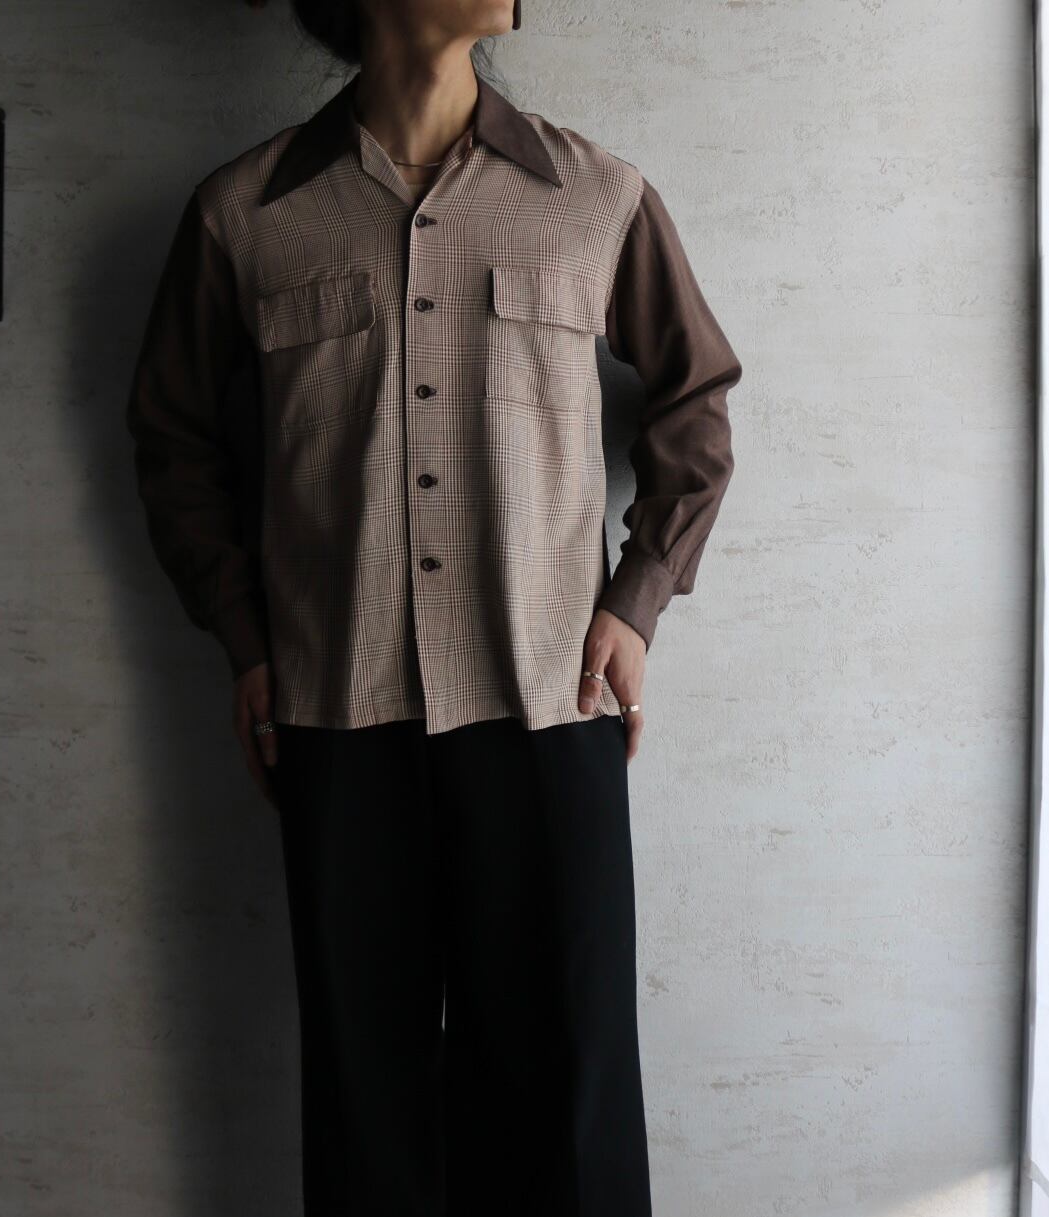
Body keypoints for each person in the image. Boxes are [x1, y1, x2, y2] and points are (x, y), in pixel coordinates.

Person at [125, 0, 742, 1212]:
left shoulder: (594, 195)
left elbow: (695, 401)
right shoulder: (243, 212)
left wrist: (635, 599)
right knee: (369, 1108)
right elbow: (171, 439)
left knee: (569, 1099)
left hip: (547, 699)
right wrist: (243, 636)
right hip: (333, 708)